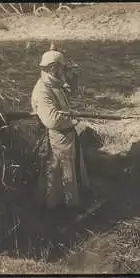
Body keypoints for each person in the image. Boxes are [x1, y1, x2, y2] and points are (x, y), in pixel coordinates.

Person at [31, 47, 91, 212]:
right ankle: (60, 211)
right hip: (56, 139)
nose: (63, 72)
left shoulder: (53, 85)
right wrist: (72, 121)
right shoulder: (42, 91)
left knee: (69, 172)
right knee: (60, 175)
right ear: (52, 68)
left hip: (65, 137)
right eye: (61, 68)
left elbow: (65, 97)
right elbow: (52, 120)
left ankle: (69, 205)